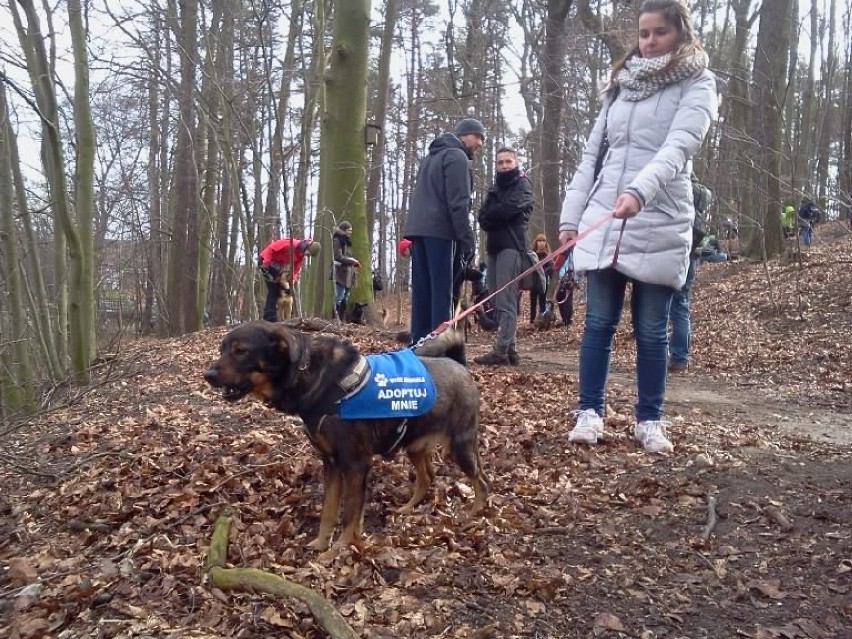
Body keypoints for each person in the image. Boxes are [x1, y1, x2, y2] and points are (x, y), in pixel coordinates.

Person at [558, 0, 718, 454]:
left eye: (659, 33)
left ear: (680, 34)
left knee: (652, 329)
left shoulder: (698, 83)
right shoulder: (618, 89)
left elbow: (679, 146)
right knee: (598, 323)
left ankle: (650, 419)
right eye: (644, 33)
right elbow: (592, 157)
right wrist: (572, 219)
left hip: (661, 217)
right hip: (606, 219)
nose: (648, 42)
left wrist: (640, 192)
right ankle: (589, 411)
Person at [403, 118, 483, 344]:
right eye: (477, 136)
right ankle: (440, 345)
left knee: (422, 291)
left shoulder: (431, 157)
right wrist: (467, 239)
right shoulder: (457, 157)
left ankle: (418, 342)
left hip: (419, 231)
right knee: (442, 292)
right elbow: (458, 203)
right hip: (441, 231)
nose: (479, 142)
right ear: (464, 135)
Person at [474, 147, 534, 365]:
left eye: (508, 161)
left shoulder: (523, 184)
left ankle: (500, 351)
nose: (505, 165)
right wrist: (496, 213)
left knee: (506, 300)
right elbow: (483, 217)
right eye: (500, 162)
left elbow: (510, 209)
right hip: (494, 248)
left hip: (513, 246)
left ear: (516, 162)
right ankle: (511, 349)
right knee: (497, 300)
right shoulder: (494, 188)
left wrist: (496, 213)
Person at [258, 238, 321, 321]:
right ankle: (270, 318)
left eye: (309, 255)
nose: (307, 255)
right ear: (307, 247)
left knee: (278, 291)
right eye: (308, 253)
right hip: (266, 261)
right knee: (273, 289)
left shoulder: (300, 254)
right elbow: (271, 249)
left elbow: (296, 268)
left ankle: (274, 317)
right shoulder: (290, 244)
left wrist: (293, 279)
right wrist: (266, 263)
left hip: (278, 266)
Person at [331, 221, 361, 320]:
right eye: (349, 230)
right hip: (340, 273)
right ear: (344, 230)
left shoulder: (346, 241)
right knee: (339, 297)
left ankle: (341, 320)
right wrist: (352, 261)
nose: (350, 232)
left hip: (348, 273)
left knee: (345, 298)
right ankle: (335, 320)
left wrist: (352, 261)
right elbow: (338, 256)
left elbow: (347, 256)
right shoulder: (337, 240)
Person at [529, 234, 554, 325]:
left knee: (542, 301)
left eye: (543, 241)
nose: (541, 243)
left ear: (546, 243)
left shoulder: (548, 255)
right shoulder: (532, 255)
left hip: (543, 282)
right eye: (539, 241)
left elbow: (551, 267)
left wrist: (543, 272)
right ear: (536, 242)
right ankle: (532, 321)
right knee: (532, 302)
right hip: (533, 282)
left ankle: (542, 321)